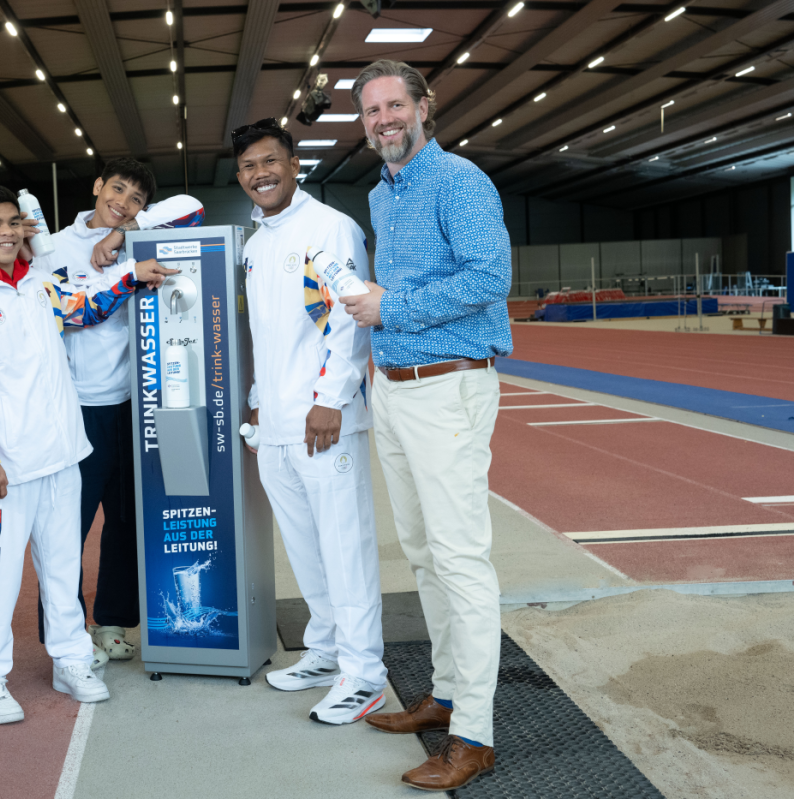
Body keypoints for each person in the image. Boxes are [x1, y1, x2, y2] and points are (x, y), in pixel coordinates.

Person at [0, 185, 177, 725]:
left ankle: (69, 659)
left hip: (64, 456)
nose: (6, 232)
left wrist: (132, 275)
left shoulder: (39, 283)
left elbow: (84, 307)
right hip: (6, 470)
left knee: (64, 570)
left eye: (14, 223)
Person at [340, 60, 513, 792]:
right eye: (371, 110)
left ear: (422, 108)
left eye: (393, 105)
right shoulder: (384, 193)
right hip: (396, 391)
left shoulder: (458, 181)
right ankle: (444, 694)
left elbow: (487, 279)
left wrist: (393, 310)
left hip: (448, 388)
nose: (383, 119)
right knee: (421, 552)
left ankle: (473, 734)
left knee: (460, 558)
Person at [231, 119, 386, 725]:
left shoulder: (330, 227)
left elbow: (347, 320)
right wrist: (255, 397)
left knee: (345, 548)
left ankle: (364, 674)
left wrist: (332, 397)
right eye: (248, 166)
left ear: (296, 165)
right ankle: (324, 651)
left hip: (325, 420)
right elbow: (263, 332)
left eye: (271, 161)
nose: (260, 173)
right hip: (274, 425)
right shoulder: (257, 241)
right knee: (305, 547)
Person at [32, 158, 204, 661]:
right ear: (96, 186)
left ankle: (111, 622)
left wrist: (127, 234)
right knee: (68, 527)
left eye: (135, 199)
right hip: (75, 409)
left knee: (126, 522)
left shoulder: (137, 238)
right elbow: (70, 313)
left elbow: (192, 208)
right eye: (117, 190)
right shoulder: (52, 248)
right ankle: (63, 636)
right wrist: (126, 274)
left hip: (132, 405)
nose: (122, 202)